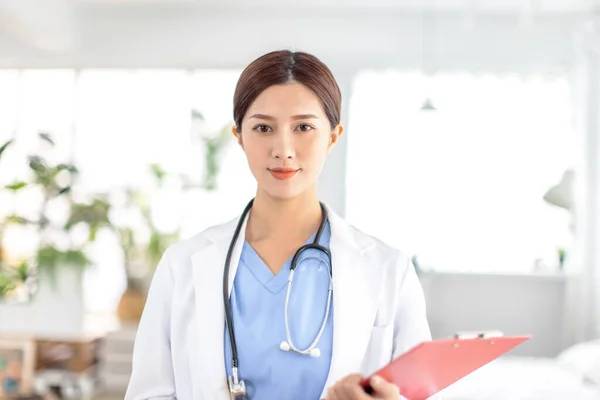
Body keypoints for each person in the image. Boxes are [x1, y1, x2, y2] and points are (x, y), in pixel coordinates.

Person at [125, 50, 431, 400]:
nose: (283, 149)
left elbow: (418, 392)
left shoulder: (389, 271)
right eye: (263, 128)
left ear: (333, 136)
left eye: (303, 127)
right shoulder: (182, 266)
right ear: (239, 136)